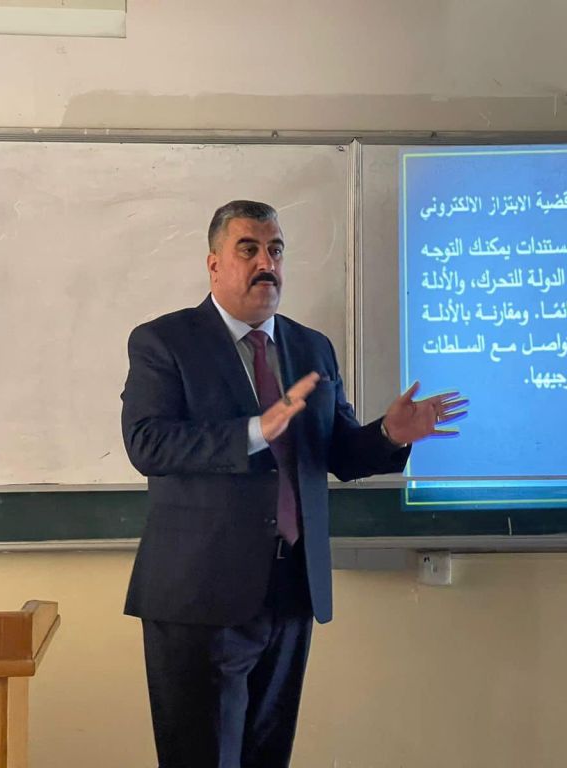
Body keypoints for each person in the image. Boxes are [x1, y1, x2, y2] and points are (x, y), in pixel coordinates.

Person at [121, 200, 465, 768]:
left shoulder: (310, 347)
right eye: (249, 249)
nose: (267, 264)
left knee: (269, 756)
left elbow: (337, 453)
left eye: (275, 250)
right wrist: (255, 431)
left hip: (290, 590)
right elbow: (148, 443)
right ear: (214, 264)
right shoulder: (165, 341)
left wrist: (388, 434)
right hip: (200, 596)